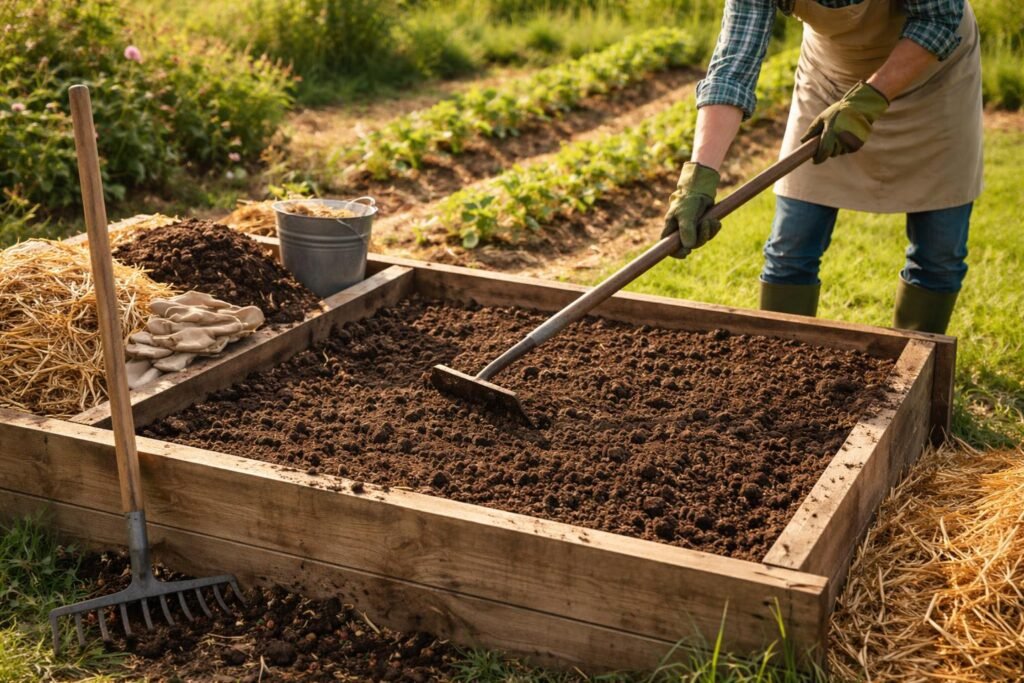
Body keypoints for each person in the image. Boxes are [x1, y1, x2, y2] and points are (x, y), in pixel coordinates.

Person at [661, 0, 982, 334]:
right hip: (830, 78)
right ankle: (782, 364)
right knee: (790, 249)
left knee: (938, 254)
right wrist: (699, 177)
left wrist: (871, 98)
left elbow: (939, 19)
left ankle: (922, 362)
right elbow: (732, 71)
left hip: (933, 76)